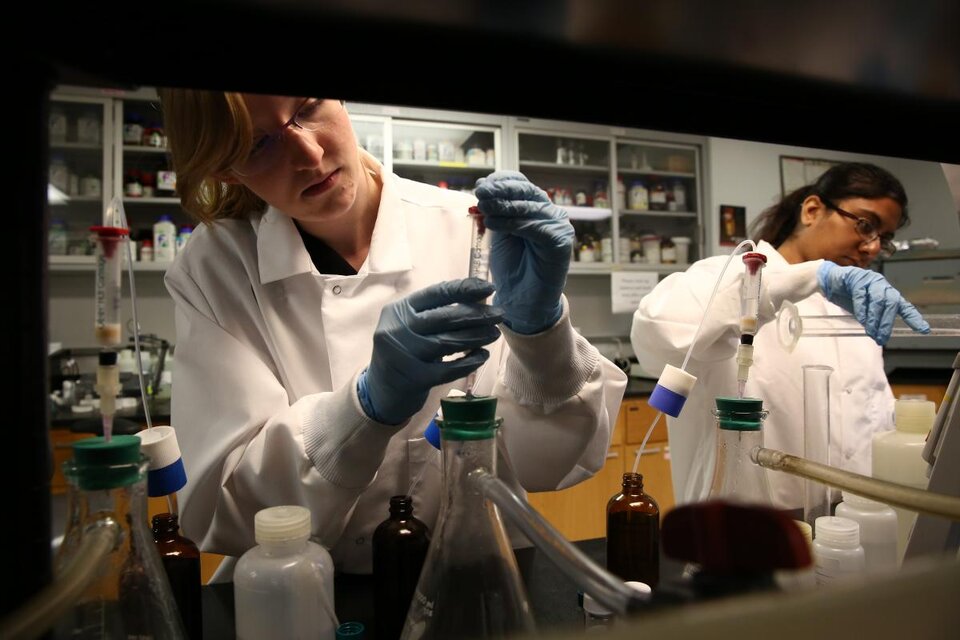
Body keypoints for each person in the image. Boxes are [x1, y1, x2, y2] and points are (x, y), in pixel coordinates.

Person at [157, 91, 627, 576]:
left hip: (477, 573)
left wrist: (541, 334)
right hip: (299, 592)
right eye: (259, 146)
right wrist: (361, 410)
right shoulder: (216, 267)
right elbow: (219, 509)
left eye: (308, 107)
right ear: (225, 171)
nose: (311, 155)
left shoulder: (472, 231)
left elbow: (549, 465)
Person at [631, 162, 929, 510]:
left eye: (885, 238)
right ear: (812, 210)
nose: (873, 247)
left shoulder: (853, 309)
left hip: (847, 525)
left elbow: (870, 415)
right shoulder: (729, 275)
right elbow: (658, 328)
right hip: (742, 530)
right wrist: (812, 275)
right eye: (865, 225)